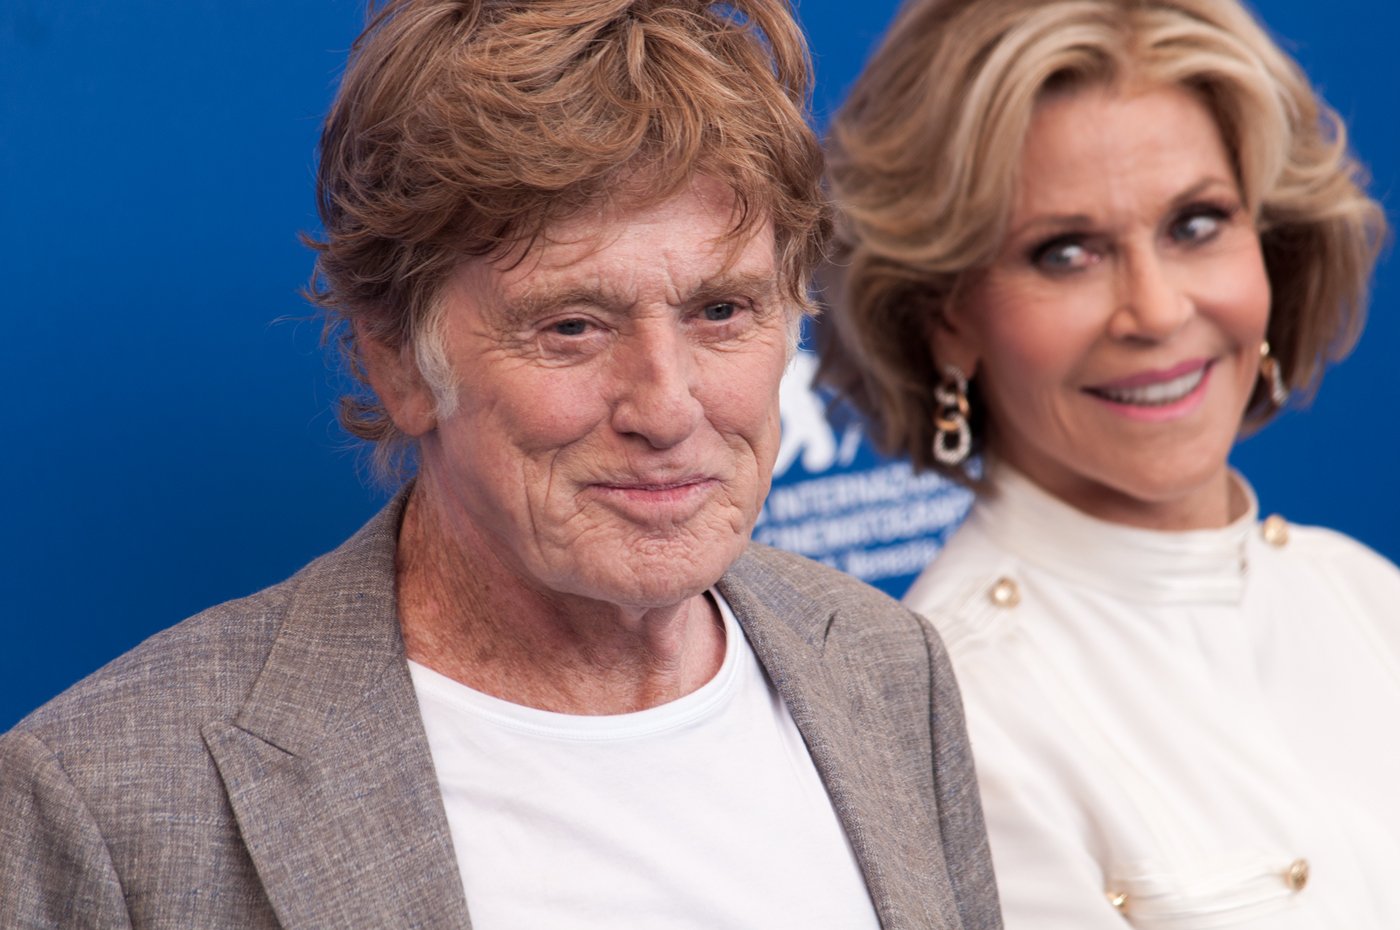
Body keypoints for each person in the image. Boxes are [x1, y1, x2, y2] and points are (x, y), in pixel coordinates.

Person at [0, 1, 1006, 927]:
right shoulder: (105, 803)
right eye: (571, 326)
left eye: (719, 311)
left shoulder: (885, 667)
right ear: (394, 360)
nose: (664, 406)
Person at [819, 0, 1398, 926]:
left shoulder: (1365, 598)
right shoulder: (957, 718)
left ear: (1273, 248)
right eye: (1067, 253)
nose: (1157, 311)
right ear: (944, 316)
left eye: (1197, 224)